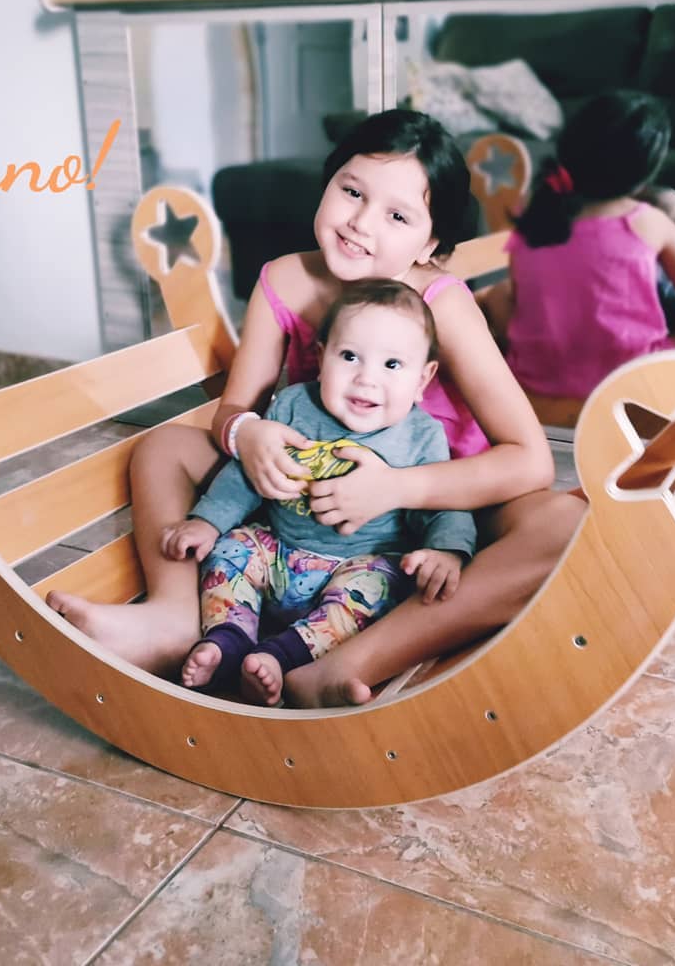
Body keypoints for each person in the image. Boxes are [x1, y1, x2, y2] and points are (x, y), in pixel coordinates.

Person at [47, 109, 584, 707]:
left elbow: (531, 460)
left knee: (565, 527)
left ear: (430, 243)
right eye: (352, 191)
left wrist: (395, 489)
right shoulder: (284, 280)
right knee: (164, 447)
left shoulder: (441, 304)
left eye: (398, 216)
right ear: (328, 183)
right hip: (306, 507)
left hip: (438, 511)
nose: (361, 222)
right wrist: (247, 434)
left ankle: (349, 662)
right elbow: (236, 408)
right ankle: (172, 617)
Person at [166, 280, 476, 706]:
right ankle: (228, 640)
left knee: (380, 586)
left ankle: (282, 657)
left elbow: (442, 502)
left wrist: (446, 550)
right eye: (349, 356)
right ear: (320, 357)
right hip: (278, 552)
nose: (367, 379)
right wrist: (207, 521)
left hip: (357, 564)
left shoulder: (421, 436)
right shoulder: (293, 406)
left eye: (392, 364)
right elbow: (247, 475)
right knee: (233, 548)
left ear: (423, 378)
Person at [480, 92, 675, 397]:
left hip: (537, 381)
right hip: (629, 382)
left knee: (499, 292)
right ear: (647, 170)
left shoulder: (535, 214)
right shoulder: (649, 222)